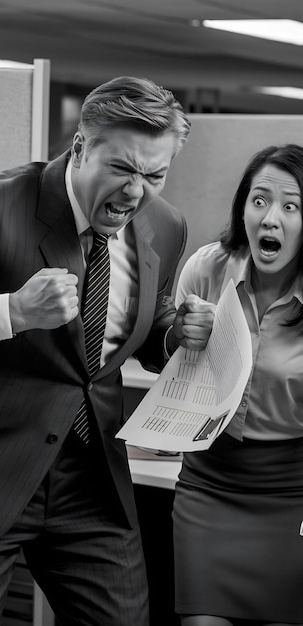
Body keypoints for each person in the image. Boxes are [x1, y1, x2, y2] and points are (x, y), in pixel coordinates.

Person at [0, 76, 191, 626]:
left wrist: (178, 335)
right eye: (123, 169)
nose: (136, 192)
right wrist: (10, 311)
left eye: (154, 174)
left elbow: (146, 330)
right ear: (80, 147)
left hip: (93, 480)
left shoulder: (164, 225)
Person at [171, 143, 303, 626]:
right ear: (243, 206)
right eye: (260, 200)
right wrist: (177, 335)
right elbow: (177, 367)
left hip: (292, 495)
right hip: (210, 486)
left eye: (291, 207)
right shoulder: (207, 268)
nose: (271, 218)